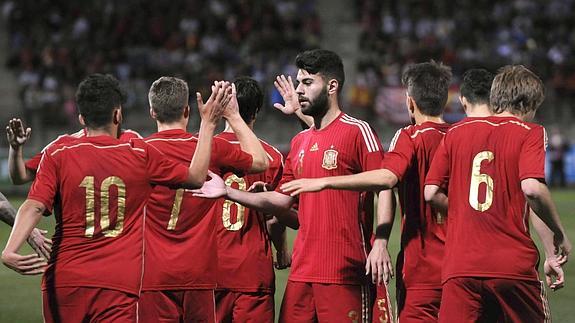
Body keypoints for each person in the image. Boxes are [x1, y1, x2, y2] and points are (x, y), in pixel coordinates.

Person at [1, 74, 231, 322]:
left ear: (81, 118)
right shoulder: (139, 152)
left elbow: (34, 205)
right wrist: (208, 123)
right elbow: (196, 177)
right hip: (119, 284)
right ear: (117, 115)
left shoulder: (58, 153)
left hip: (66, 280)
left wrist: (10, 250)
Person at [194, 49, 391, 322]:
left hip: (344, 267)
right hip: (301, 271)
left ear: (332, 86)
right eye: (298, 83)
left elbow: (384, 183)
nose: (299, 90)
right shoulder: (299, 142)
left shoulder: (358, 131)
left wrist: (380, 242)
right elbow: (282, 201)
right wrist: (230, 193)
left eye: (307, 83)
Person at [280, 61, 452, 322]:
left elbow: (386, 179)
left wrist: (325, 181)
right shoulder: (462, 136)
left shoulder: (408, 137)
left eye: (307, 82)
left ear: (409, 102)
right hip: (465, 265)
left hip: (421, 268)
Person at [424, 65, 571, 322]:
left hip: (460, 267)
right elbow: (532, 190)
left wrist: (461, 211)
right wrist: (559, 237)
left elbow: (431, 193)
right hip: (511, 267)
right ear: (528, 104)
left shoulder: (455, 133)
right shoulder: (530, 133)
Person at [138, 76, 268, 322]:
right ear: (187, 111)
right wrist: (233, 116)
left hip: (153, 274)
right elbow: (261, 160)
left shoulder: (137, 152)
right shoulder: (209, 148)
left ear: (152, 112)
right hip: (199, 275)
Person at [213, 76, 290, 322]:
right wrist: (282, 251)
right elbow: (276, 217)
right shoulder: (272, 157)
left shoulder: (203, 150)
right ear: (257, 110)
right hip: (252, 269)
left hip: (209, 267)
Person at [7, 119, 141, 185]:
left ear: (81, 118)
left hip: (125, 237)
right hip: (79, 237)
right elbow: (21, 177)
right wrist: (15, 149)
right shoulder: (63, 144)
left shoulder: (134, 140)